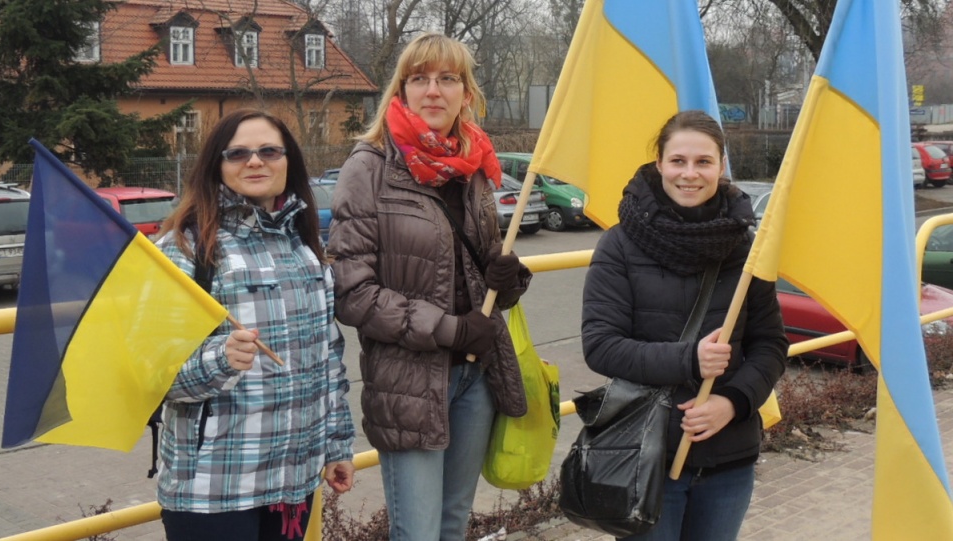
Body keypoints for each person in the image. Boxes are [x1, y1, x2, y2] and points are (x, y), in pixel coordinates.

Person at [328, 33, 532, 541]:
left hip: (475, 380)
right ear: (401, 91)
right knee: (417, 532)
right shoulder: (369, 168)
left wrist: (509, 278)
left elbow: (485, 277)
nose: (433, 91)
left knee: (451, 525)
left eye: (448, 79)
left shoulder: (475, 167)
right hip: (410, 385)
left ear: (467, 92)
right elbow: (353, 292)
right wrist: (450, 329)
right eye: (420, 78)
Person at [581, 110, 788, 541]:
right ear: (659, 164)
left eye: (703, 162)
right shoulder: (620, 244)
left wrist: (732, 402)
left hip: (729, 457)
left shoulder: (746, 247)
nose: (689, 174)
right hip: (647, 456)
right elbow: (600, 346)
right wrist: (690, 359)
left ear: (721, 165)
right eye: (678, 161)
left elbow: (770, 343)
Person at [154, 109, 355, 541]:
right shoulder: (184, 248)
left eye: (269, 150)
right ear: (218, 165)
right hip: (214, 488)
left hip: (293, 483)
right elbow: (155, 374)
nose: (255, 161)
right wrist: (219, 360)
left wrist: (337, 446)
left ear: (288, 162)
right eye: (238, 153)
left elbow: (328, 361)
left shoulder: (304, 246)